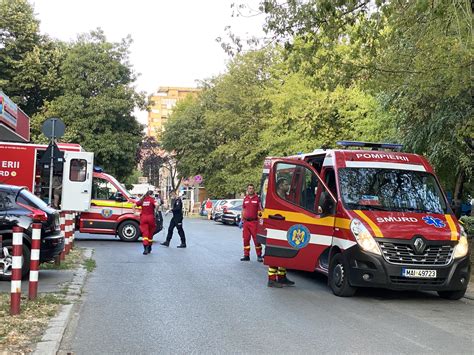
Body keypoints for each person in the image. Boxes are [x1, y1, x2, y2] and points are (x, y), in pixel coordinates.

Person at [267, 177, 295, 287]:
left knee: (284, 253)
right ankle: (272, 279)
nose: (288, 186)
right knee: (275, 253)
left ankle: (282, 276)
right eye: (286, 184)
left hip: (285, 227)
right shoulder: (276, 196)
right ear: (280, 186)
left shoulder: (286, 196)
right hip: (276, 227)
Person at [240, 183, 263, 262]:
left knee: (256, 240)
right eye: (249, 188)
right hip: (246, 222)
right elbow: (243, 209)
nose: (251, 190)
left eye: (252, 188)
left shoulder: (257, 199)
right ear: (247, 189)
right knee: (246, 239)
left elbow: (261, 210)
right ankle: (246, 256)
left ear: (254, 189)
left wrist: (261, 221)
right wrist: (241, 220)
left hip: (254, 222)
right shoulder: (245, 199)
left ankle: (259, 255)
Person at [135, 190, 157, 255]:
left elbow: (134, 205)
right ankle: (149, 247)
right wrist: (156, 210)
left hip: (143, 218)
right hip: (151, 218)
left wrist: (135, 213)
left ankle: (145, 249)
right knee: (150, 233)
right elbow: (157, 204)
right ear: (151, 194)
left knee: (145, 234)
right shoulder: (152, 199)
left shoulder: (142, 200)